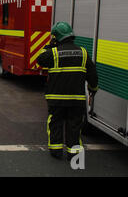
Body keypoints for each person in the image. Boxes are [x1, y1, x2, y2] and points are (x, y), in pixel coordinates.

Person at [36, 22, 98, 161]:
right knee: (74, 126)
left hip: (56, 99)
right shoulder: (83, 53)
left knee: (55, 124)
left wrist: (50, 44)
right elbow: (93, 74)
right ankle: (73, 152)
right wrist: (93, 89)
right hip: (76, 99)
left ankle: (56, 151)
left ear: (56, 37)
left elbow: (39, 60)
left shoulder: (53, 53)